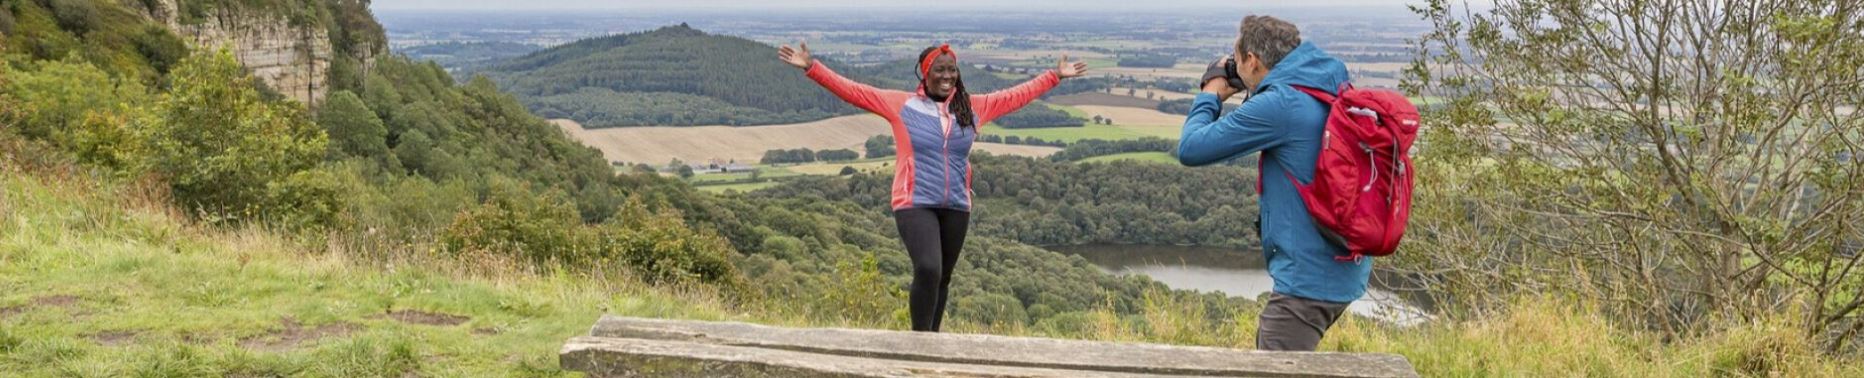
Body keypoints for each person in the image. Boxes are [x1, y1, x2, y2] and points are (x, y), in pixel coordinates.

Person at [778, 41, 1088, 332]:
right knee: (928, 268)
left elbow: (1015, 95)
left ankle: (932, 341)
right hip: (914, 201)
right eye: (940, 70)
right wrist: (812, 68)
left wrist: (1054, 76)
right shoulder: (902, 105)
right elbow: (854, 92)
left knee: (943, 277)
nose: (947, 76)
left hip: (957, 204)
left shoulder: (972, 107)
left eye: (952, 70)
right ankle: (919, 342)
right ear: (925, 73)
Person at [1176, 15, 1368, 351]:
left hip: (1309, 278)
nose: (1235, 66)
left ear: (1252, 60)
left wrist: (1210, 94)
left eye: (1237, 59)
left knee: (1275, 365)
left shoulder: (1281, 103)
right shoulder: (1325, 84)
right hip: (1342, 263)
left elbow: (1191, 148)